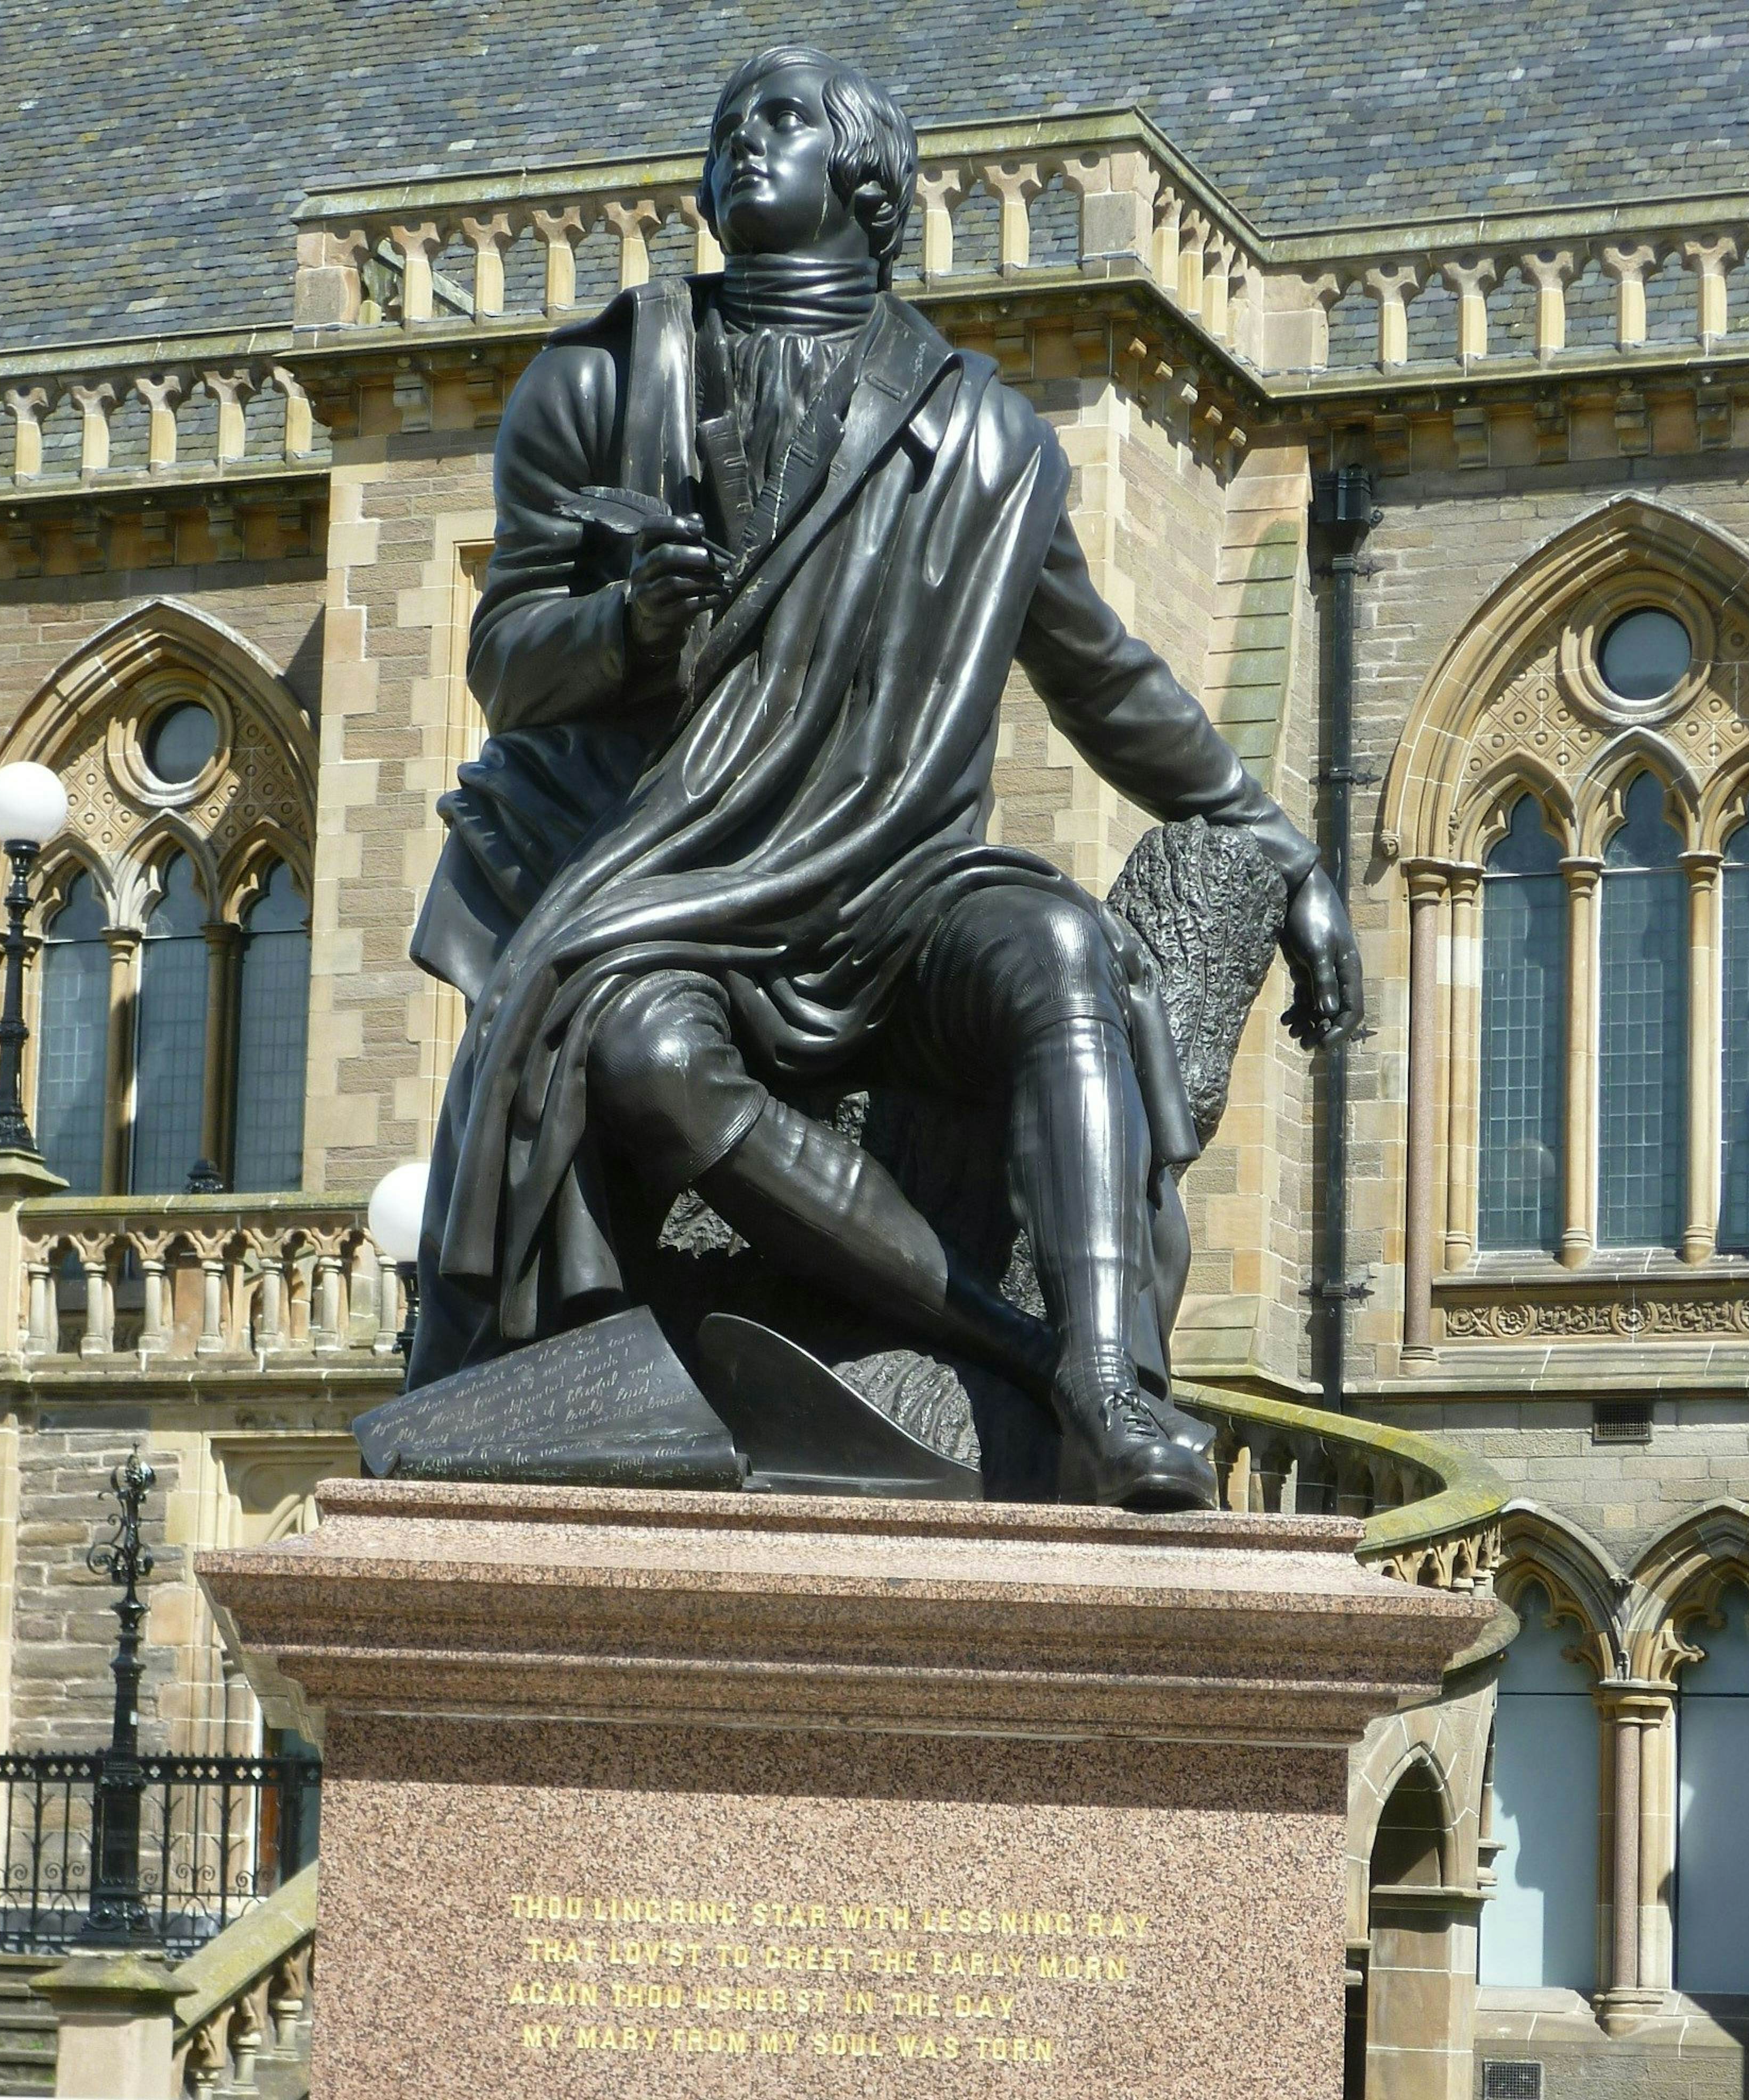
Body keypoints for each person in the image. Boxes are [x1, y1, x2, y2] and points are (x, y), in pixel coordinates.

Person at [409, 43, 1362, 1507]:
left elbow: (1100, 672)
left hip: (896, 891)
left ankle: (1110, 1386)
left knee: (1054, 948)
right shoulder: (598, 381)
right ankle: (1009, 1344)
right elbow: (508, 662)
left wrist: (1265, 830)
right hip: (673, 886)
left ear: (867, 176)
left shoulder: (983, 434)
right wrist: (629, 624)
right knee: (644, 1060)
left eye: (776, 120)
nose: (736, 145)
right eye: (723, 126)